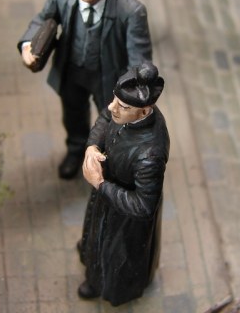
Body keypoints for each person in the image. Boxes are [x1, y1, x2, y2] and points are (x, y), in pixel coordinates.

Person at [17, 0, 152, 179]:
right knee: (73, 114)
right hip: (72, 70)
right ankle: (75, 150)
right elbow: (43, 19)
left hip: (108, 78)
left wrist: (131, 95)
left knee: (111, 122)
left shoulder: (131, 11)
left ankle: (108, 161)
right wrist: (28, 45)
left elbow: (139, 59)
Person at [77, 62, 169, 306]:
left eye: (122, 106)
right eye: (115, 100)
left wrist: (101, 184)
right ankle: (92, 266)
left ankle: (102, 284)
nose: (112, 107)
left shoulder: (150, 155)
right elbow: (105, 117)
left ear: (144, 111)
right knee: (95, 236)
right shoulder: (124, 109)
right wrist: (92, 146)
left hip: (125, 220)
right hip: (107, 194)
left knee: (116, 257)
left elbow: (143, 206)